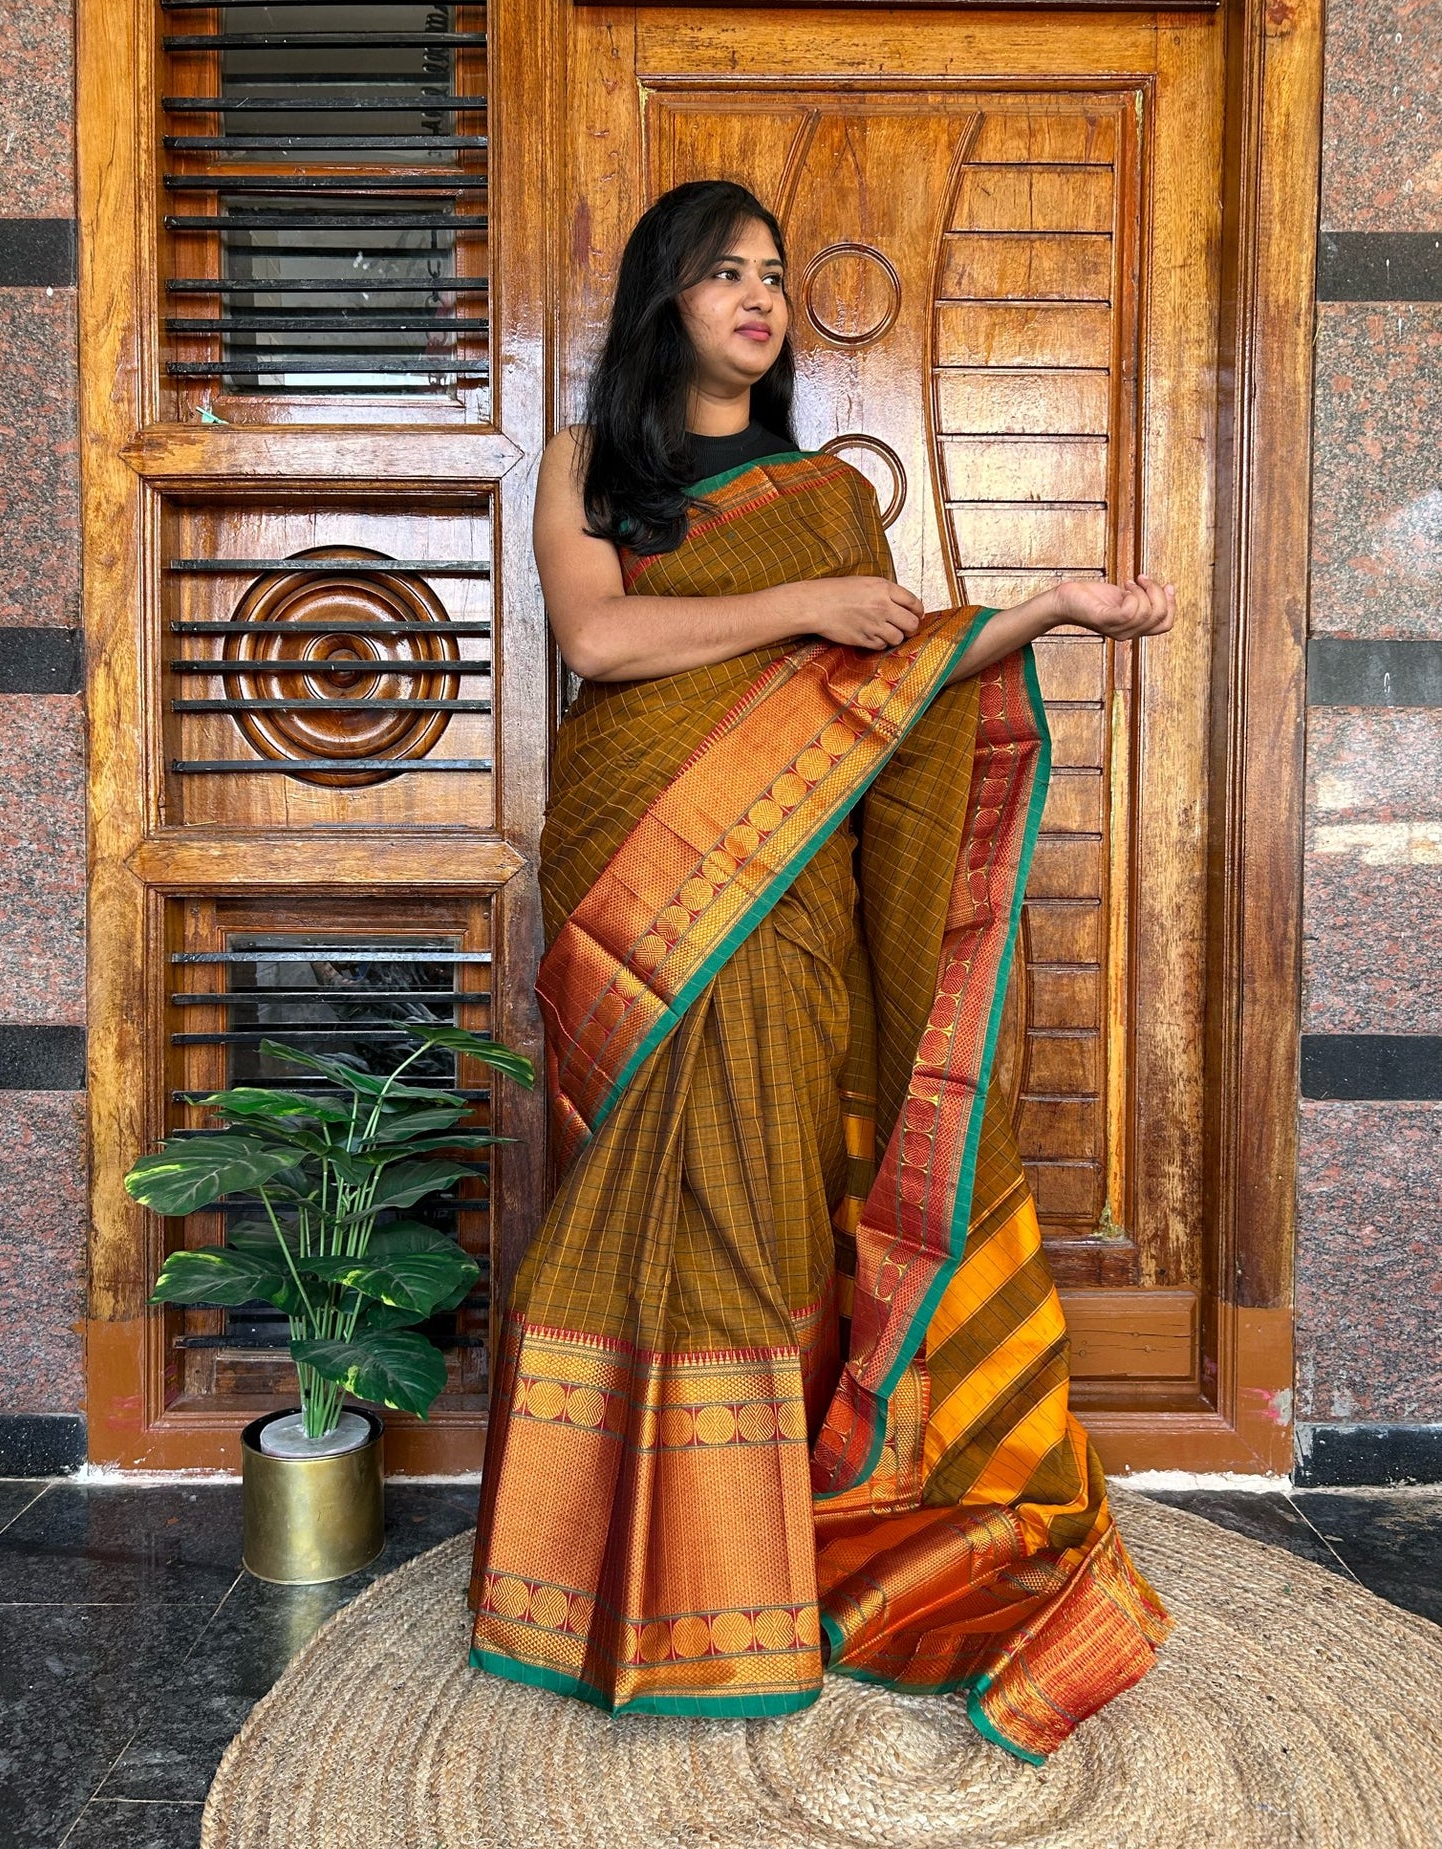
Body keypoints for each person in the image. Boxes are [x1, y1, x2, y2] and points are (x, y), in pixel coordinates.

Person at [469, 180, 1175, 1762]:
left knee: (756, 1193)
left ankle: (745, 1561)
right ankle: (583, 1573)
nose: (758, 297)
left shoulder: (829, 496)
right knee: (638, 1193)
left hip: (780, 894)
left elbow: (903, 669)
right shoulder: (590, 466)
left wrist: (1053, 607)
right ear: (664, 297)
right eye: (725, 272)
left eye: (773, 275)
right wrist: (802, 607)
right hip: (642, 880)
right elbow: (598, 644)